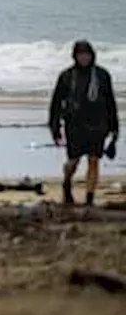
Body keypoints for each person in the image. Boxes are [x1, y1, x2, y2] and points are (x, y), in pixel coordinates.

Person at [48, 40, 118, 206]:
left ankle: (89, 198)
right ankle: (66, 183)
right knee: (73, 161)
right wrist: (55, 127)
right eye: (80, 55)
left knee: (94, 160)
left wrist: (114, 128)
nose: (84, 58)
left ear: (92, 55)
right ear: (75, 56)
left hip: (98, 124)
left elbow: (110, 102)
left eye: (87, 54)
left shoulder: (102, 75)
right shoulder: (67, 76)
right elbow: (56, 103)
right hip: (75, 125)